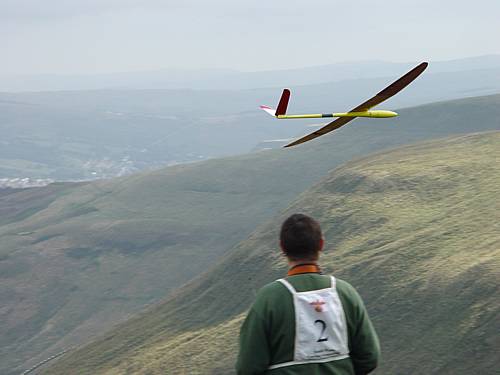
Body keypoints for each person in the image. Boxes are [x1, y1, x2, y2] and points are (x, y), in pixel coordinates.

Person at [236, 213, 380, 375]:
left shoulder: (269, 299)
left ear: (282, 247)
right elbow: (369, 357)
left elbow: (248, 368)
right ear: (321, 244)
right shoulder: (345, 293)